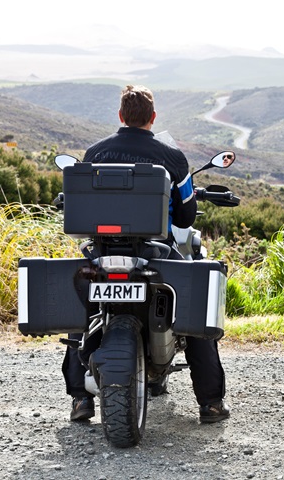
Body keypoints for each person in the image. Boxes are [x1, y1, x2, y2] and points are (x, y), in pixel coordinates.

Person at [62, 84, 230, 424]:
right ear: (152, 118)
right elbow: (184, 216)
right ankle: (210, 404)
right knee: (193, 315)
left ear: (121, 116)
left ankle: (81, 400)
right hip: (156, 253)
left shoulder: (95, 152)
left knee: (83, 315)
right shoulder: (171, 157)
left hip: (103, 251)